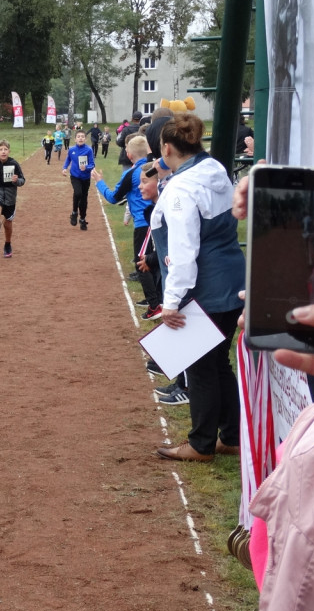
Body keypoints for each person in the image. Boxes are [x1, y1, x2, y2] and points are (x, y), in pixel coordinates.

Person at [152, 113, 244, 463]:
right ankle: (231, 435)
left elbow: (184, 251)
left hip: (207, 287)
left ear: (166, 146)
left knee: (201, 365)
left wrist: (172, 302)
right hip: (233, 279)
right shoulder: (214, 169)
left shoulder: (181, 188)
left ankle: (201, 443)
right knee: (218, 362)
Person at [91, 135, 161, 319]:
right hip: (160, 220)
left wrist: (99, 182)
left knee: (142, 263)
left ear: (129, 155)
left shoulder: (131, 174)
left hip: (143, 223)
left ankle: (154, 305)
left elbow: (114, 198)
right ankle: (157, 300)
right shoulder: (155, 166)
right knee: (155, 260)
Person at [61, 129, 95, 230]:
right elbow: (68, 159)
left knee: (84, 199)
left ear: (85, 139)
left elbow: (92, 164)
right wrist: (64, 168)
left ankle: (83, 219)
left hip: (85, 178)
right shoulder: (72, 150)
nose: (80, 138)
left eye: (82, 136)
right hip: (75, 176)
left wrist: (86, 168)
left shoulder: (88, 150)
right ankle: (74, 212)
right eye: (78, 136)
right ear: (75, 139)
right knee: (77, 193)